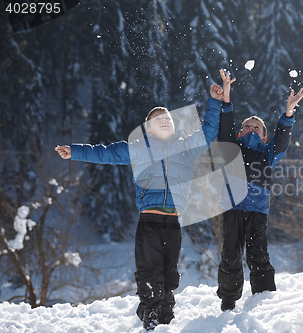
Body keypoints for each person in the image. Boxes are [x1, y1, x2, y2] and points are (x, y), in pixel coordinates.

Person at [54, 84, 229, 331]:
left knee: (169, 277)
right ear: (149, 128)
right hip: (149, 222)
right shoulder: (138, 148)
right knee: (150, 274)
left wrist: (214, 101)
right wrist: (74, 152)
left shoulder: (187, 147)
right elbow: (105, 154)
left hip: (174, 222)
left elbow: (209, 131)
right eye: (158, 119)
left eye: (167, 118)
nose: (165, 121)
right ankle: (151, 319)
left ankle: (165, 319)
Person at [215, 69, 303, 311]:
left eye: (257, 127)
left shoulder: (268, 153)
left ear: (265, 137)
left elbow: (283, 141)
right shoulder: (231, 148)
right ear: (239, 132)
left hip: (258, 210)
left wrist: (288, 112)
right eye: (247, 126)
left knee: (258, 254)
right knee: (231, 255)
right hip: (233, 208)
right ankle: (228, 300)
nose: (252, 128)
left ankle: (264, 297)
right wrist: (226, 98)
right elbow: (224, 128)